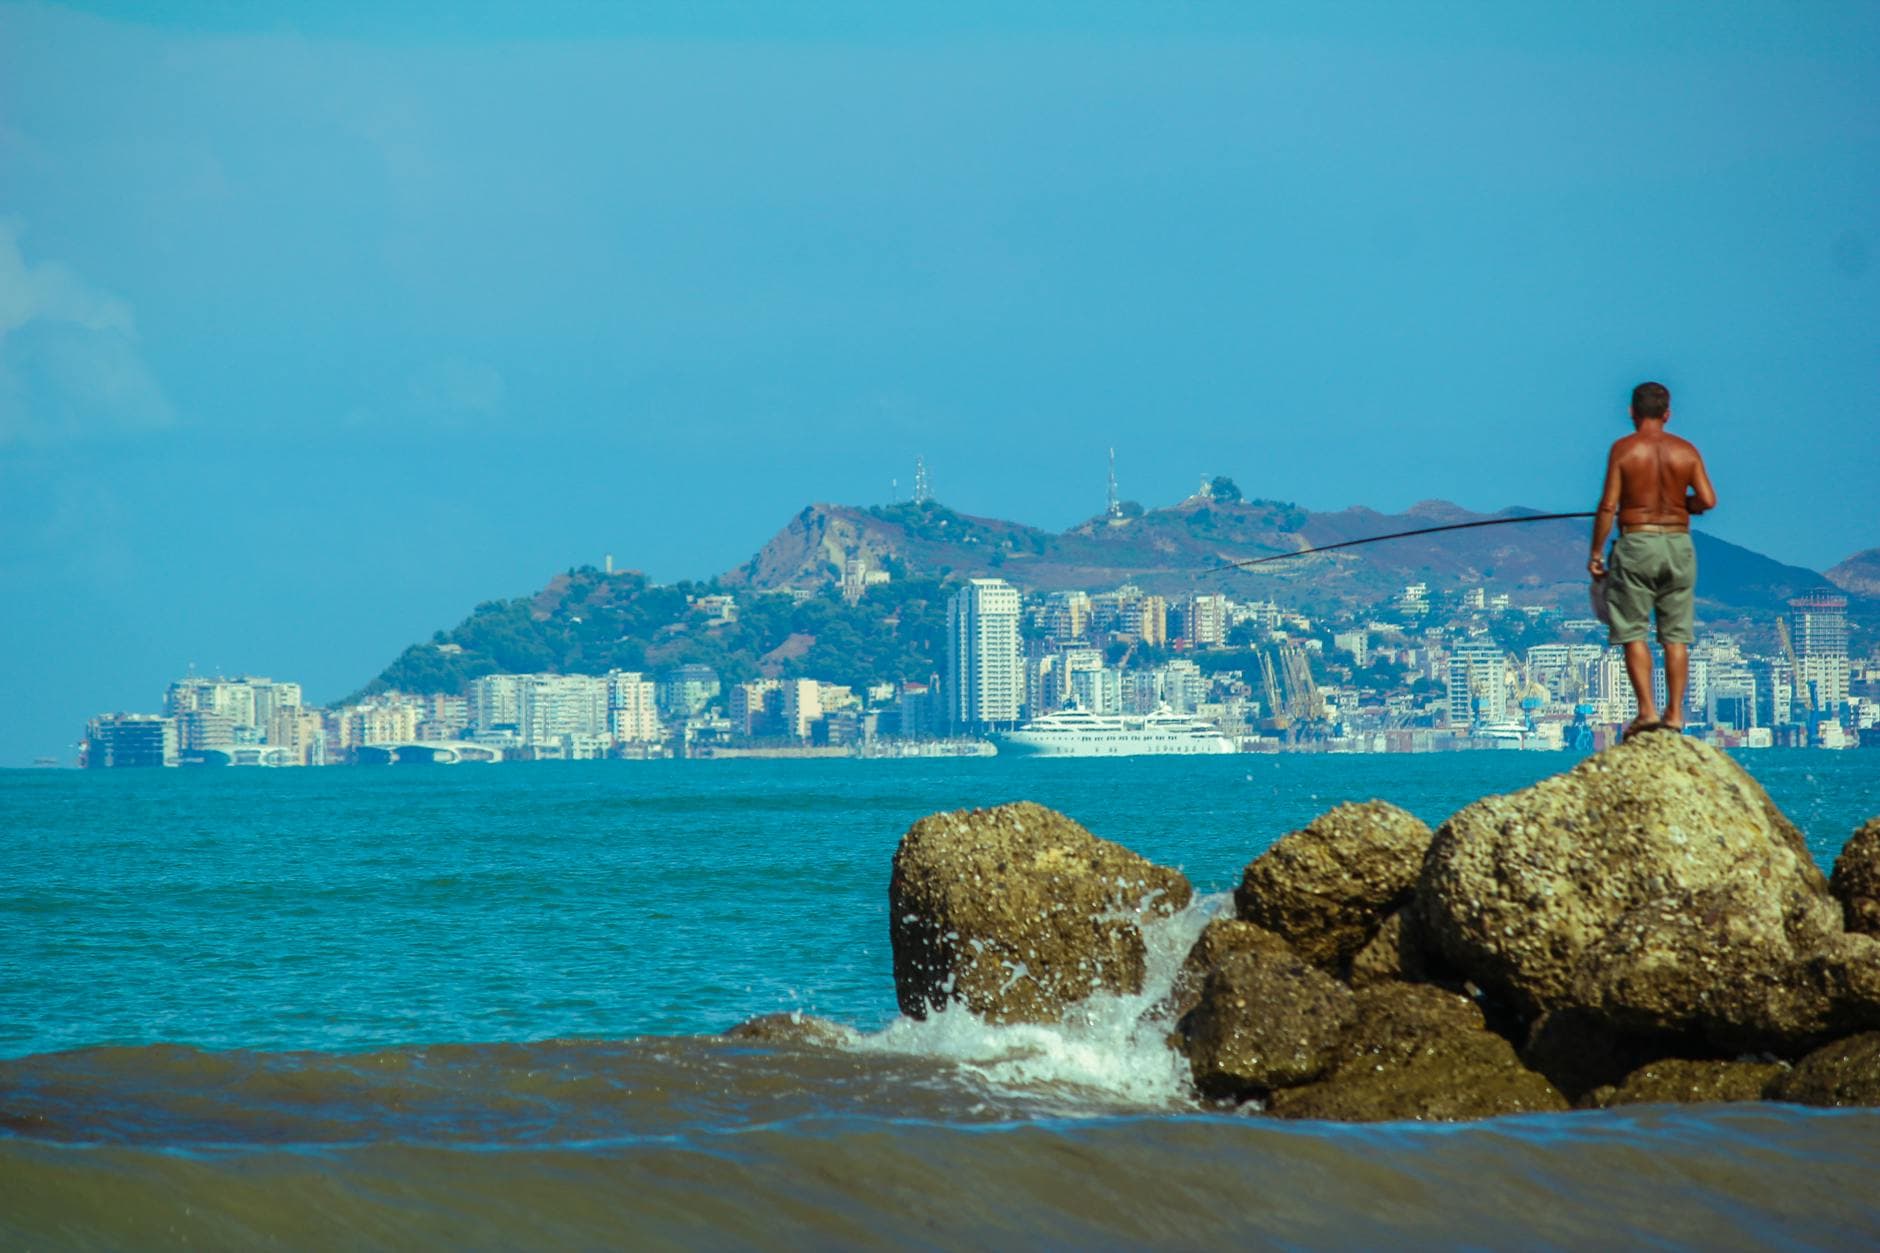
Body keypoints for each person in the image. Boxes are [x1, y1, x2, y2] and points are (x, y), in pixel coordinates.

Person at [1587, 381, 1718, 738]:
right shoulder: (1686, 451)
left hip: (1637, 541)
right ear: (1667, 414)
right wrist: (1683, 506)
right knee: (1676, 637)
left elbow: (1608, 506)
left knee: (1633, 633)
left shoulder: (1625, 450)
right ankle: (1674, 714)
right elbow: (1707, 499)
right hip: (1678, 543)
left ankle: (1646, 711)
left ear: (1632, 412)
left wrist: (1596, 554)